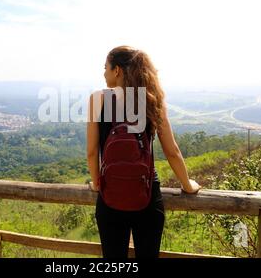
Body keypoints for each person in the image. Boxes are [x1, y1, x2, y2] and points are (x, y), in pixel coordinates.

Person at [86, 45, 201, 258]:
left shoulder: (97, 99)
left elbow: (92, 152)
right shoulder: (151, 99)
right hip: (147, 195)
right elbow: (172, 151)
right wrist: (187, 185)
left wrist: (97, 183)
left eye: (106, 67)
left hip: (110, 195)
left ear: (117, 70)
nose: (104, 73)